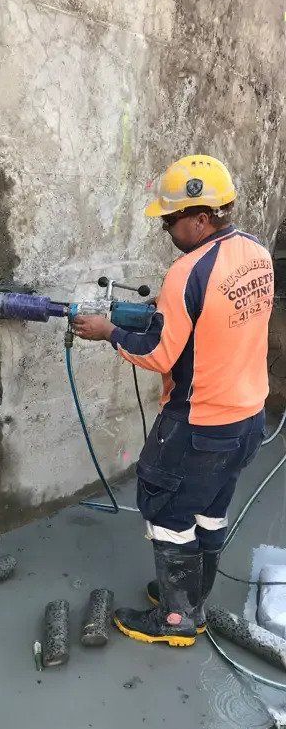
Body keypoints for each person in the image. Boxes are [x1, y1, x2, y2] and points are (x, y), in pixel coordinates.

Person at [73, 154, 273, 647]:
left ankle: (177, 621)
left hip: (199, 422)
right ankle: (191, 596)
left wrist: (108, 333)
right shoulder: (257, 253)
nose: (166, 228)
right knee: (209, 506)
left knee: (166, 510)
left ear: (201, 217)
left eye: (170, 219)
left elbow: (160, 355)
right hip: (248, 418)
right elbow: (215, 326)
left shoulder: (187, 272)